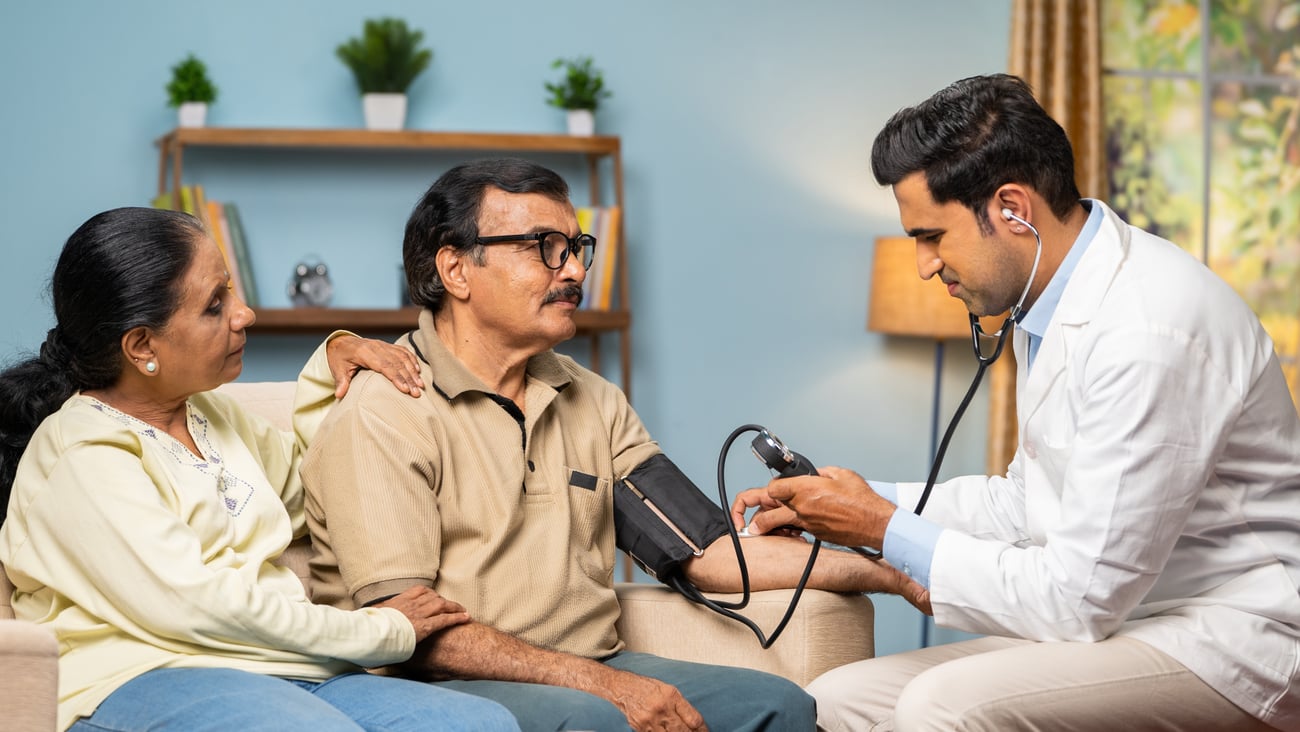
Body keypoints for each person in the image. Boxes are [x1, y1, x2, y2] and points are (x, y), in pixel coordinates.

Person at [733, 73, 1300, 732]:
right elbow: (1024, 506)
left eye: (931, 236)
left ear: (1011, 209)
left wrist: (880, 527)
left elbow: (1078, 598)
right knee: (836, 700)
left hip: (1233, 633)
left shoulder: (1149, 329)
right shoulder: (1051, 301)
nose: (922, 265)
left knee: (938, 707)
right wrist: (852, 500)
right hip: (1135, 613)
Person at [299, 157, 924, 732]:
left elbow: (704, 553)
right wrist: (607, 686)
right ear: (456, 269)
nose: (572, 270)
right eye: (543, 248)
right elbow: (413, 631)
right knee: (599, 721)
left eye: (575, 248)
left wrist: (888, 571)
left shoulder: (592, 399)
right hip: (443, 684)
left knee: (780, 707)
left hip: (590, 666)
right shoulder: (384, 410)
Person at [0, 207, 521, 732]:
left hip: (278, 669)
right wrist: (385, 630)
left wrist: (335, 363)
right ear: (142, 347)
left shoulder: (213, 417)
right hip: (140, 674)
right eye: (214, 305)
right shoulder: (82, 454)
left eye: (231, 289)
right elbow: (199, 607)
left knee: (484, 724)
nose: (243, 314)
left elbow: (321, 487)